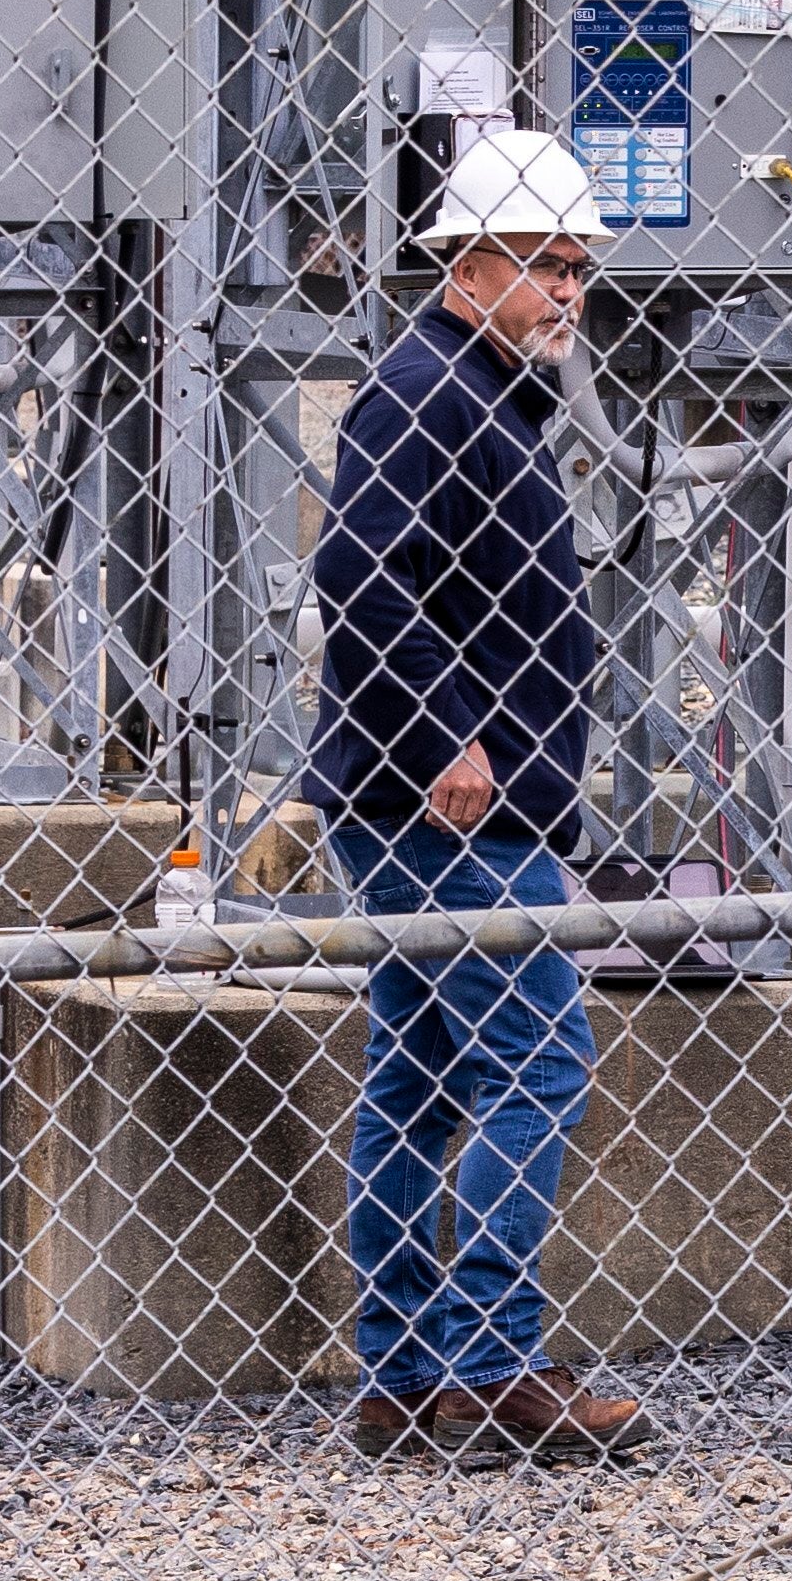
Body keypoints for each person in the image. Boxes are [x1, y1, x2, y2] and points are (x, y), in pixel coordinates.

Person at [311, 128, 649, 1467]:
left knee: (420, 1074)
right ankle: (493, 1358)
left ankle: (400, 1375)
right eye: (543, 266)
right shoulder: (427, 392)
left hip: (424, 804)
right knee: (539, 1057)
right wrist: (452, 733)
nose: (570, 292)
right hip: (448, 810)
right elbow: (360, 572)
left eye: (580, 270)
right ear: (467, 267)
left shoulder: (487, 391)